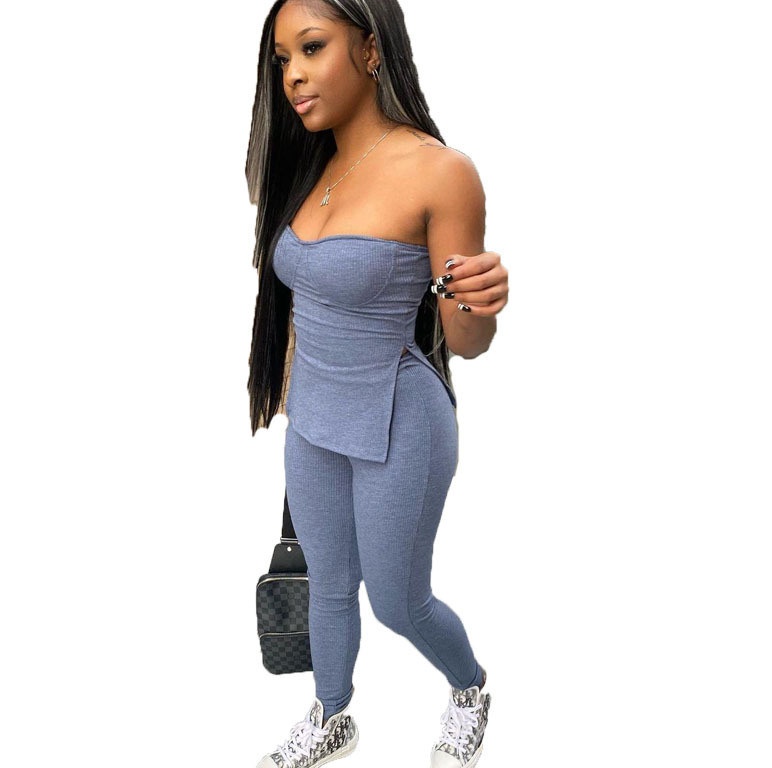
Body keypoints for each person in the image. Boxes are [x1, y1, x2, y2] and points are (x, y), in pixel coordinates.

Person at [246, 1, 509, 766]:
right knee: (328, 586)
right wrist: (291, 396)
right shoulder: (309, 164)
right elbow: (303, 300)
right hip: (315, 419)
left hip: (399, 419)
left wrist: (478, 302)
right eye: (282, 59)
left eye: (312, 48)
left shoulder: (440, 171)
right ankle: (331, 714)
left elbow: (466, 341)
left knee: (397, 601)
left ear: (370, 49)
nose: (293, 75)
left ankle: (470, 689)